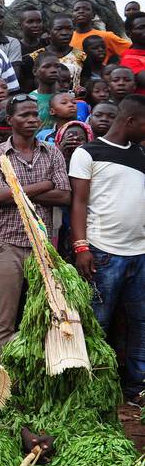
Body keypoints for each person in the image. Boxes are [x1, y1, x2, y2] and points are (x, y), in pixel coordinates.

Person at [0, 95, 71, 356]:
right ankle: (1, 384)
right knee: (5, 321)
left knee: (43, 317)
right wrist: (45, 184)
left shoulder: (51, 151)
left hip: (42, 247)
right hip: (7, 245)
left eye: (35, 114)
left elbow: (64, 196)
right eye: (24, 115)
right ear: (10, 120)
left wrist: (15, 191)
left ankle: (38, 375)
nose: (32, 119)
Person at [69, 93, 145, 402]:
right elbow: (79, 202)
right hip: (103, 251)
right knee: (98, 321)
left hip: (139, 252)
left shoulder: (141, 155)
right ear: (130, 121)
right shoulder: (88, 153)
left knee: (141, 322)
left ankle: (137, 386)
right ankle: (92, 389)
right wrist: (81, 247)